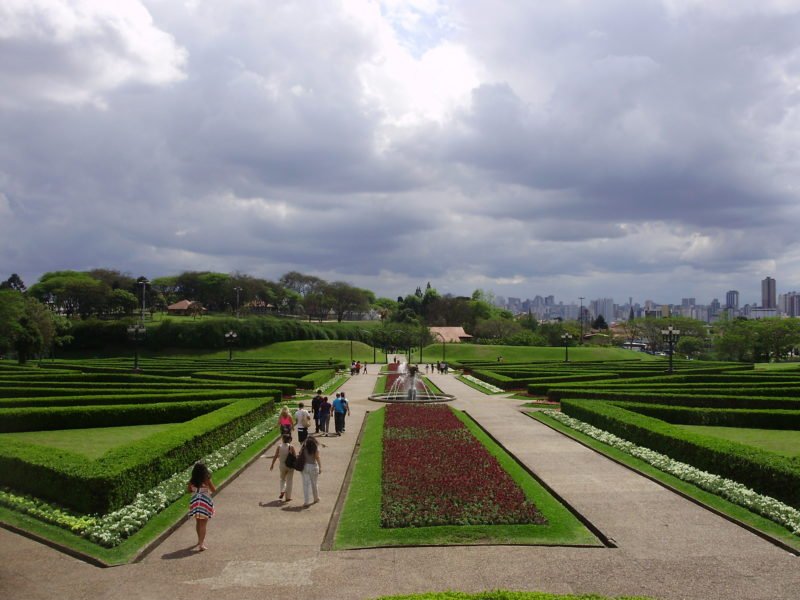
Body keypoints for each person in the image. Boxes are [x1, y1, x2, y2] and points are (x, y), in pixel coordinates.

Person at [188, 462, 216, 551]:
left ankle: (199, 540)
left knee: (198, 522)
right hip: (204, 502)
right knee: (203, 523)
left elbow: (189, 490)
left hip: (195, 502)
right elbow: (213, 489)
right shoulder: (206, 479)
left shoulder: (192, 481)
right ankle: (201, 543)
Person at [269, 434, 294, 502]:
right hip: (290, 466)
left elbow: (275, 456)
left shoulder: (279, 447)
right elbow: (294, 457)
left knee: (282, 479)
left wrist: (272, 464)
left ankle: (282, 490)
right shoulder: (291, 447)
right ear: (289, 440)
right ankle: (288, 497)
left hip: (282, 465)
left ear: (283, 439)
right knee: (289, 481)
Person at [300, 437, 322, 507]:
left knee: (305, 485)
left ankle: (306, 501)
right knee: (314, 483)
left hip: (305, 466)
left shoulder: (304, 447)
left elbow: (300, 454)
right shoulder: (315, 448)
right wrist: (320, 467)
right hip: (313, 466)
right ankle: (316, 498)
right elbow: (317, 457)